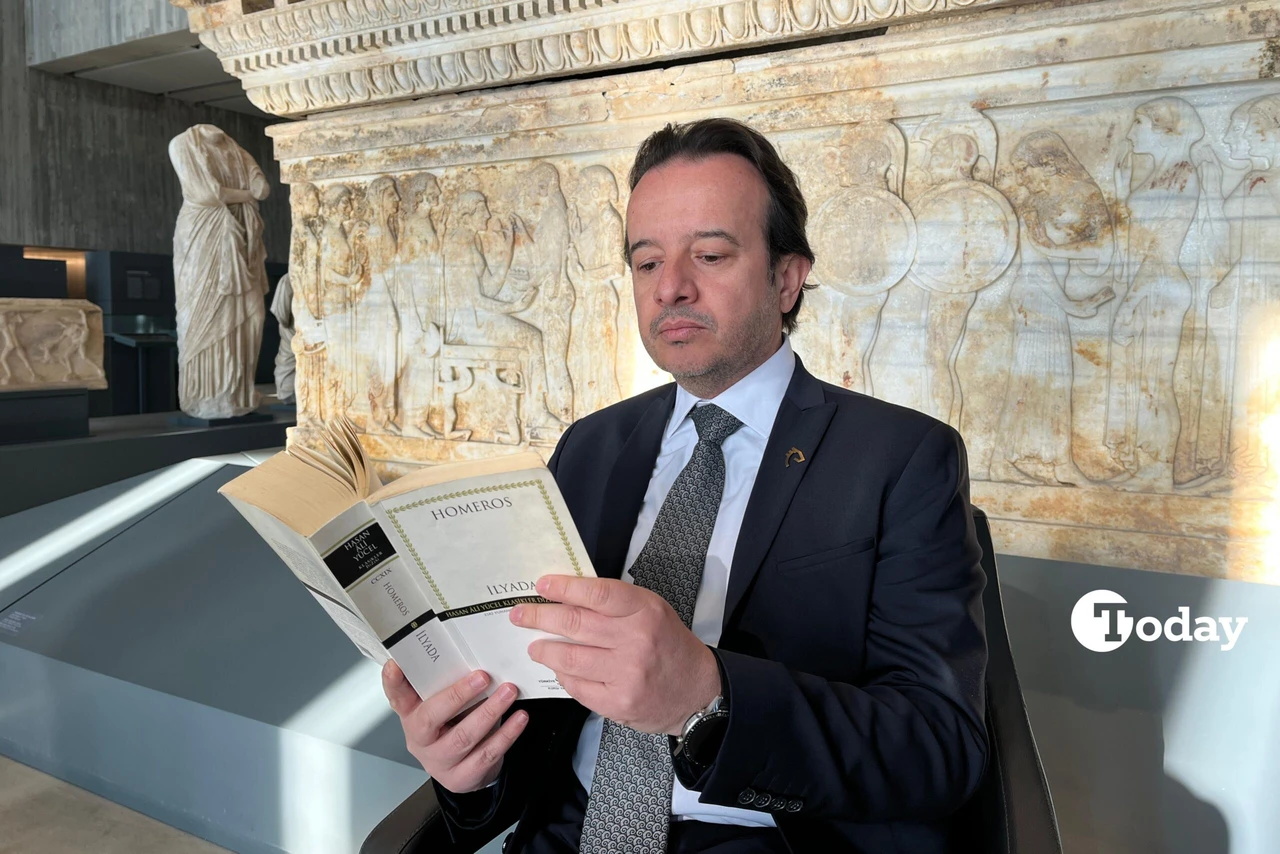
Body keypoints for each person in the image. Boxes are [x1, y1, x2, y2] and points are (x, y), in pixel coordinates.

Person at [382, 118, 988, 853]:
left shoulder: (901, 457)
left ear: (787, 277)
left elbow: (940, 747)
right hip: (565, 830)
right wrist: (466, 767)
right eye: (646, 263)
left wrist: (710, 698)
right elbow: (538, 697)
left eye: (709, 254)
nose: (671, 286)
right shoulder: (588, 447)